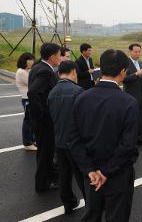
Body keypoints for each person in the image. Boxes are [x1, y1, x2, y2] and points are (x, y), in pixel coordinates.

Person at [68, 49, 139, 222]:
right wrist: (106, 172)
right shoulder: (129, 103)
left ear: (101, 68)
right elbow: (128, 145)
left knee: (92, 214)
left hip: (91, 175)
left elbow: (73, 139)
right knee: (117, 216)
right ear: (123, 72)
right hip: (119, 174)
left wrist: (90, 170)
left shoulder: (81, 98)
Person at [48, 61, 86, 215]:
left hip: (59, 140)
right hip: (76, 143)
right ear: (74, 72)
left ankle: (68, 203)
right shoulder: (78, 91)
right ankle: (91, 204)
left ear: (59, 74)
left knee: (64, 175)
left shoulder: (52, 92)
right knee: (82, 175)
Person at [27, 42, 61, 192]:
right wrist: (39, 115)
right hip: (44, 120)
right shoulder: (46, 71)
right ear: (52, 56)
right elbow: (33, 92)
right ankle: (42, 185)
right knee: (45, 152)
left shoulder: (37, 67)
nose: (60, 58)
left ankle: (52, 177)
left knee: (46, 151)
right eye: (59, 55)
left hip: (43, 119)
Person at [123, 43, 142, 146]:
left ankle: (139, 137)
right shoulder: (125, 64)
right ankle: (129, 139)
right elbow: (124, 79)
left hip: (141, 96)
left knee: (141, 118)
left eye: (139, 52)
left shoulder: (141, 63)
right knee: (131, 119)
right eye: (135, 52)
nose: (138, 54)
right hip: (130, 96)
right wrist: (136, 74)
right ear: (130, 51)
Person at [15, 52, 36, 151]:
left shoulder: (28, 71)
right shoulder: (21, 72)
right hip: (26, 98)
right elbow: (32, 83)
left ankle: (32, 140)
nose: (32, 62)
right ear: (24, 61)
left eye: (32, 60)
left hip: (31, 98)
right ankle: (27, 143)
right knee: (28, 121)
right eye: (29, 60)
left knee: (32, 120)